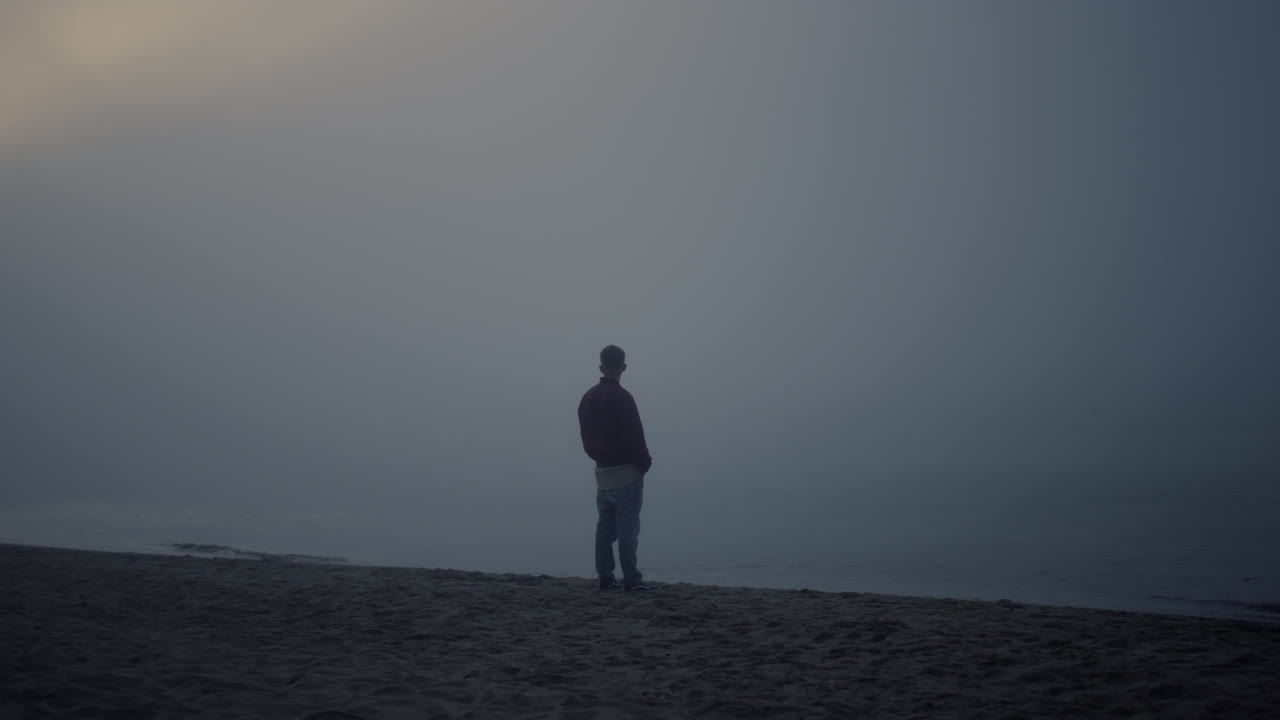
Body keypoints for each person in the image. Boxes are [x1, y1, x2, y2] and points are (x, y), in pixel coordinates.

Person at [578, 344, 653, 592]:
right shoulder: (623, 398)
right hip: (626, 471)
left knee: (604, 527)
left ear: (601, 366)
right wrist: (644, 463)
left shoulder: (587, 397)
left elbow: (586, 439)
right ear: (623, 367)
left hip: (602, 472)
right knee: (628, 528)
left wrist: (599, 458)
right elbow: (634, 436)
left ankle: (606, 577)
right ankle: (631, 579)